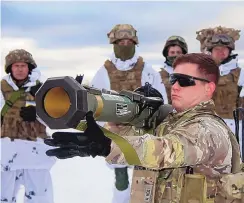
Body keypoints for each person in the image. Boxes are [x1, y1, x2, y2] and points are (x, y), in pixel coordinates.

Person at [45, 53, 243, 203]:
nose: (174, 86)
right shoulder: (168, 123)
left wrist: (106, 146)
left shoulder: (209, 129)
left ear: (208, 88)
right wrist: (82, 118)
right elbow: (129, 142)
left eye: (184, 81)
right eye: (174, 79)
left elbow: (167, 150)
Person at [89, 24, 168, 203]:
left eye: (128, 41)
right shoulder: (104, 72)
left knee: (145, 177)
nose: (125, 45)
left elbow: (162, 101)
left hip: (145, 132)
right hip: (116, 133)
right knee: (121, 178)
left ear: (135, 43)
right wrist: (99, 132)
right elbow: (94, 103)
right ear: (114, 43)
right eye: (121, 41)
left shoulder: (147, 71)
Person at [1, 49, 56, 203]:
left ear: (29, 68)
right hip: (7, 152)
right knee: (3, 196)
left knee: (39, 196)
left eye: (23, 66)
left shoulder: (43, 89)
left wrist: (38, 114)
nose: (19, 69)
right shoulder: (1, 89)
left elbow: (55, 118)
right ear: (10, 68)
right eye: (16, 65)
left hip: (35, 151)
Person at [196, 26, 244, 154]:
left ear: (230, 50)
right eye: (217, 49)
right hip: (205, 127)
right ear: (211, 51)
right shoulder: (201, 73)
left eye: (224, 49)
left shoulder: (240, 73)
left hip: (232, 129)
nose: (221, 51)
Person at [159, 36, 188, 104]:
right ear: (167, 54)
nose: (175, 55)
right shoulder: (157, 76)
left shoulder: (191, 74)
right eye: (172, 52)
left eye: (178, 52)